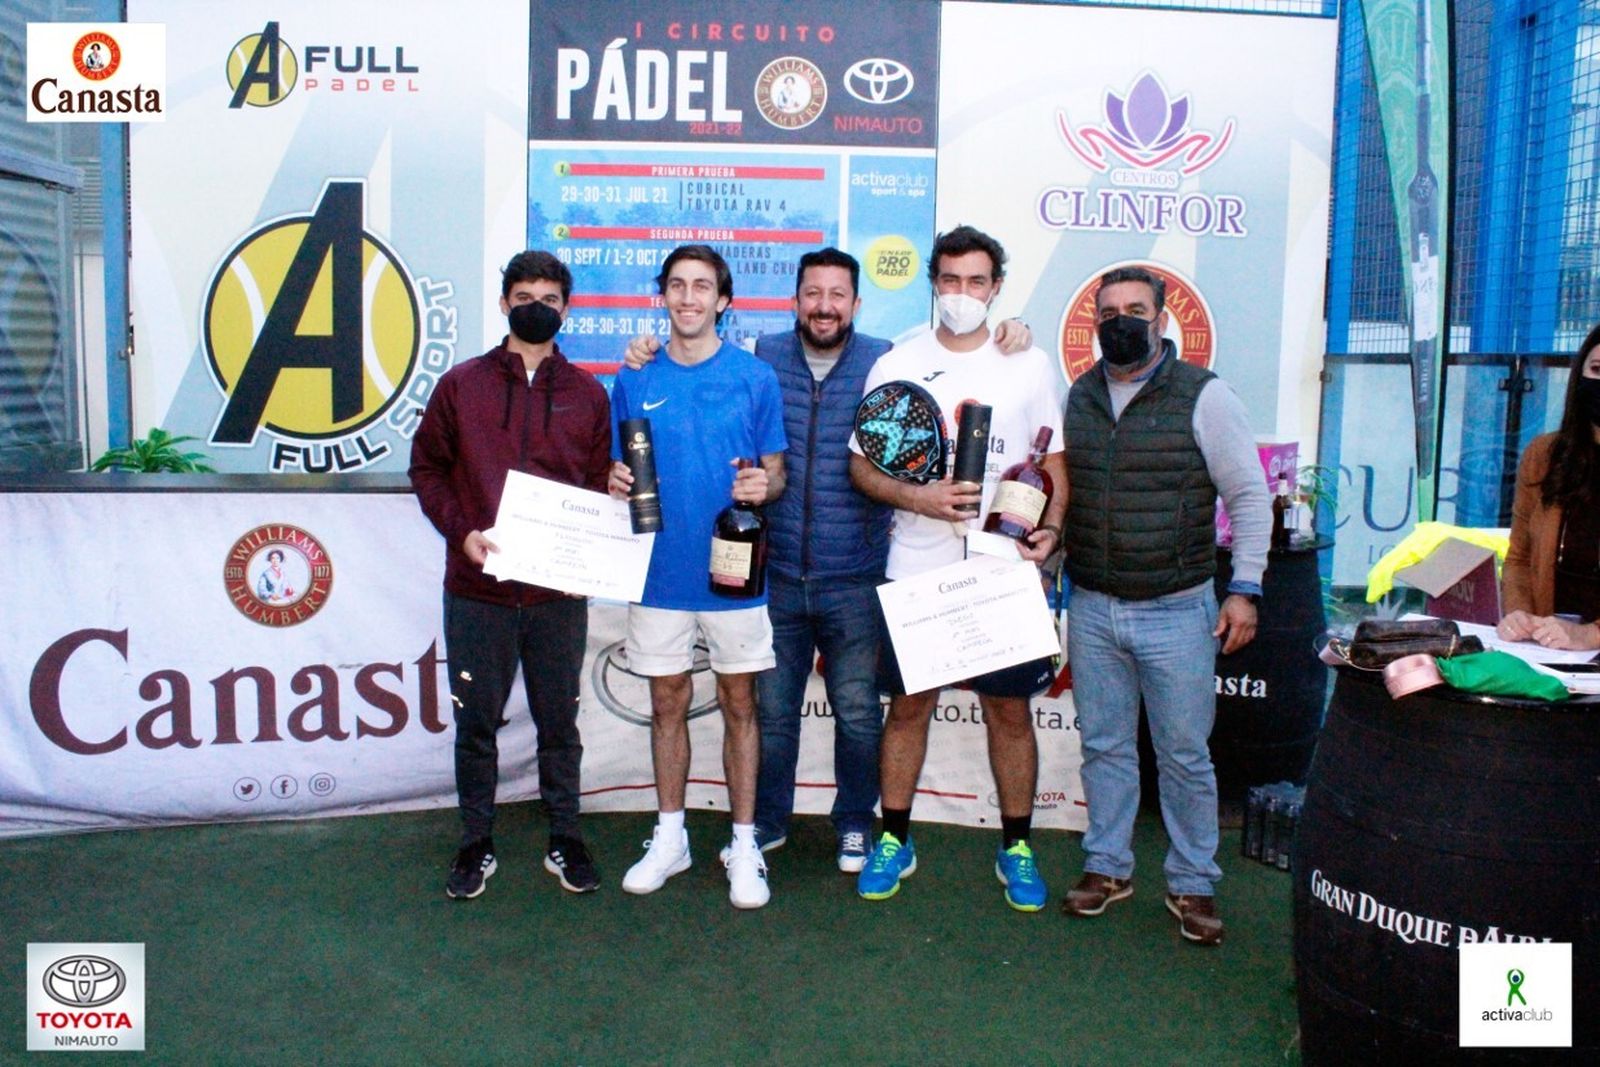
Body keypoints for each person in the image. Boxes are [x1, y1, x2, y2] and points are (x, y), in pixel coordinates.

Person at [623, 250, 1036, 875]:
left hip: (857, 574)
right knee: (774, 712)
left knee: (858, 712)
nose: (824, 306)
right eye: (812, 294)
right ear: (794, 301)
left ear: (856, 304)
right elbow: (693, 355)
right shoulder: (762, 358)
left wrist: (1013, 332)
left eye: (837, 295)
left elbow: (955, 357)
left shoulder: (886, 360)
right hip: (776, 570)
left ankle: (854, 825)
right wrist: (644, 350)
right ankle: (765, 824)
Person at [847, 225, 1066, 911]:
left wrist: (1053, 530)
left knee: (1009, 712)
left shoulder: (1028, 363)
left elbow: (1056, 465)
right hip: (917, 563)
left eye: (976, 281)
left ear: (996, 287)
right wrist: (920, 497)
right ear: (933, 284)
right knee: (909, 707)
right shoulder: (897, 362)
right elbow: (860, 466)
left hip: (1003, 570)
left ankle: (1017, 845)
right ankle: (894, 837)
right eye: (949, 279)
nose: (961, 293)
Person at [1058, 265, 1269, 947]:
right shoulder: (1079, 396)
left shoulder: (1205, 396)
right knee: (1104, 746)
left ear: (1162, 318)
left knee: (1183, 754)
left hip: (1177, 609)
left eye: (1135, 309)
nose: (1121, 321)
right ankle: (1107, 865)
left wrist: (1246, 587)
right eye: (1108, 311)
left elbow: (1249, 496)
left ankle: (1193, 879)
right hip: (1093, 604)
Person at [409, 250, 612, 900]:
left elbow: (596, 490)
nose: (536, 308)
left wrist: (589, 553)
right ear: (503, 304)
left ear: (566, 310)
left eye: (550, 300)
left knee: (560, 724)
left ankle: (566, 836)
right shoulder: (461, 385)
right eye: (524, 297)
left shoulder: (588, 394)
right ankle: (476, 840)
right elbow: (426, 469)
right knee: (476, 724)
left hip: (557, 596)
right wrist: (461, 532)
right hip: (478, 591)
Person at [607, 244, 788, 909]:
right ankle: (671, 837)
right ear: (663, 295)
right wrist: (611, 477)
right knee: (666, 704)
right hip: (658, 572)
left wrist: (764, 485)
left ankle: (743, 844)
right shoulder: (634, 375)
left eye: (702, 286)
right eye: (678, 285)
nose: (689, 298)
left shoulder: (754, 377)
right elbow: (616, 468)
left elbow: (776, 473)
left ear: (723, 299)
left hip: (735, 572)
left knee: (741, 705)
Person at [1498, 322, 1600, 650]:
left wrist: (1591, 635)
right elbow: (1519, 557)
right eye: (1597, 369)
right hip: (1552, 653)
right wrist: (1519, 613)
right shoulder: (1544, 455)